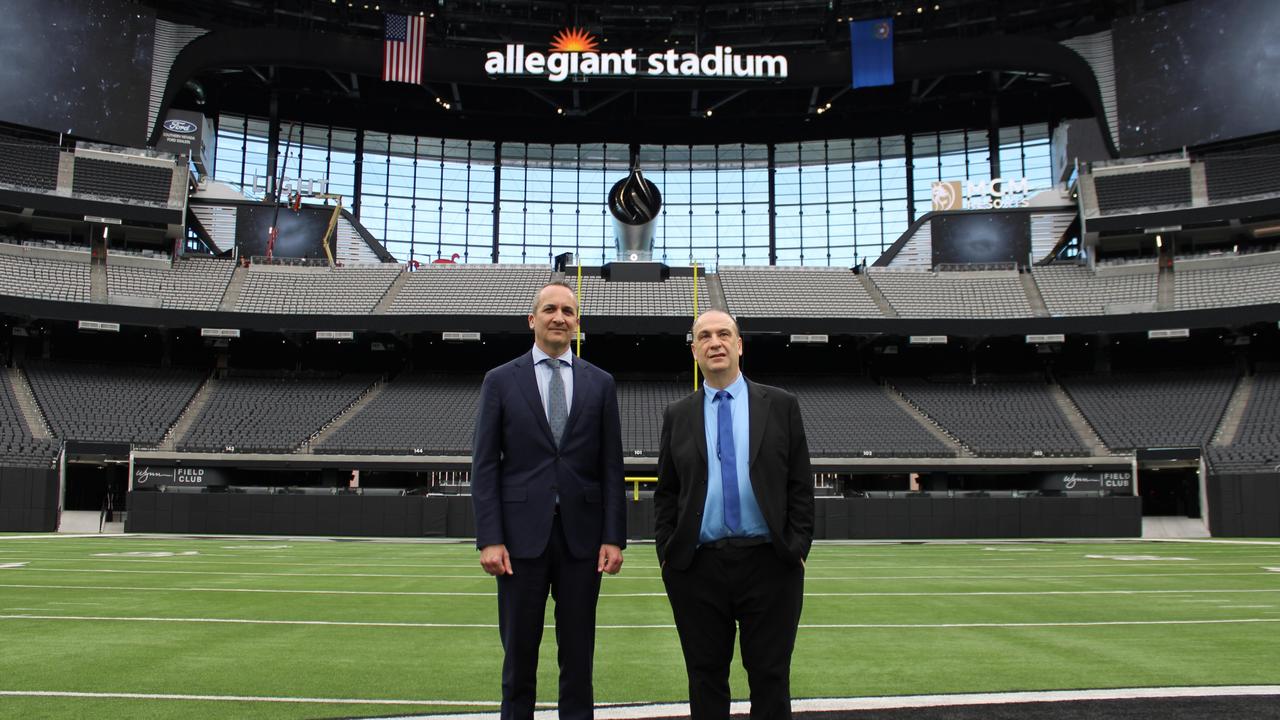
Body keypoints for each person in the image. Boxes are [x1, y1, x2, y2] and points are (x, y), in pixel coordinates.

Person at [471, 281, 626, 720]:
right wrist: (489, 538)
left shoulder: (601, 383)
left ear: (577, 323)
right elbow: (484, 465)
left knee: (578, 658)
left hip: (583, 539)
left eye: (569, 311)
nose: (560, 317)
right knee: (518, 658)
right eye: (551, 309)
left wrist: (614, 537)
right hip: (519, 542)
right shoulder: (500, 380)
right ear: (532, 319)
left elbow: (610, 466)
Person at [655, 309, 814, 720]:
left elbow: (799, 483)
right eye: (704, 336)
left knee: (770, 677)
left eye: (724, 334)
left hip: (769, 562)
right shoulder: (678, 414)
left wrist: (797, 547)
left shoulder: (781, 405)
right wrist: (668, 553)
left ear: (739, 345)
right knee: (705, 677)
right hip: (698, 566)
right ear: (694, 351)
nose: (715, 343)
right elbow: (667, 491)